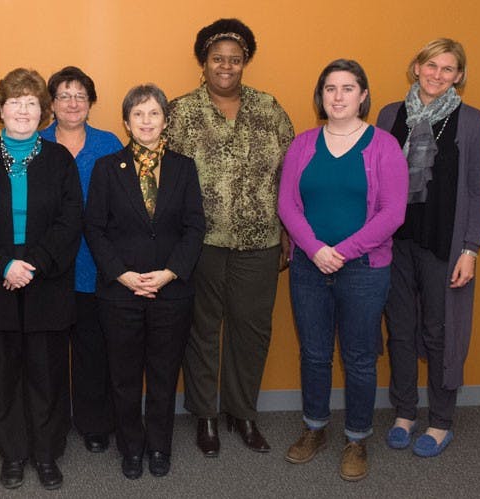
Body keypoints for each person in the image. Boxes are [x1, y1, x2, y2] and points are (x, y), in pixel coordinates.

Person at [165, 17, 294, 457]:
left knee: (252, 330)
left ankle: (243, 413)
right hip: (199, 243)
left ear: (244, 64)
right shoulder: (180, 112)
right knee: (202, 330)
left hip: (261, 241)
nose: (226, 67)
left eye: (234, 60)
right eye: (218, 59)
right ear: (204, 62)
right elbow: (164, 181)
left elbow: (290, 173)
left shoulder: (269, 108)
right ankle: (205, 415)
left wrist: (290, 231)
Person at [278, 59, 407, 481]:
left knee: (359, 358)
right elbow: (287, 206)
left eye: (347, 88)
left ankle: (356, 438)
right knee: (314, 354)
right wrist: (315, 250)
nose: (337, 96)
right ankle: (315, 428)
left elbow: (393, 213)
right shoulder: (302, 144)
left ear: (362, 95)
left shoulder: (383, 145)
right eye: (330, 88)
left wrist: (344, 251)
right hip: (309, 267)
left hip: (365, 270)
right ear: (321, 95)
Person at [0, 68, 81, 491]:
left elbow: (69, 223)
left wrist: (33, 265)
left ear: (43, 111)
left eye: (31, 103)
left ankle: (46, 455)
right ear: (0, 110)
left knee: (47, 377)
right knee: (4, 377)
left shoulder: (60, 160)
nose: (23, 110)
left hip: (48, 285)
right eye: (15, 103)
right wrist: (5, 265)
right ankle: (12, 455)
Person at [377, 38, 480, 458]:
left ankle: (441, 421)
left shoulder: (472, 121)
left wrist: (471, 249)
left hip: (446, 247)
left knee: (442, 333)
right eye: (431, 65)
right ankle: (405, 413)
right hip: (396, 243)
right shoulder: (391, 114)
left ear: (458, 75)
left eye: (448, 69)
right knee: (401, 330)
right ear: (417, 66)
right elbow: (377, 178)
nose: (437, 74)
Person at [84, 84, 205, 479]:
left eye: (154, 113)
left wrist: (169, 273)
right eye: (138, 114)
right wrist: (123, 274)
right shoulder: (107, 168)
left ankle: (159, 447)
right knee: (123, 375)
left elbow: (194, 227)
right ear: (126, 122)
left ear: (165, 120)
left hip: (172, 292)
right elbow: (95, 229)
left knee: (163, 375)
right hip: (120, 293)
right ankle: (131, 448)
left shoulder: (183, 167)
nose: (146, 121)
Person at [41, 66, 123, 454]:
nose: (72, 103)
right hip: (48, 266)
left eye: (80, 95)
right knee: (50, 352)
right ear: (51, 103)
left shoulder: (108, 144)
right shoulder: (34, 142)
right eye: (64, 95)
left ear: (90, 102)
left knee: (93, 349)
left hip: (95, 264)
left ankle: (94, 423)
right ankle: (51, 425)